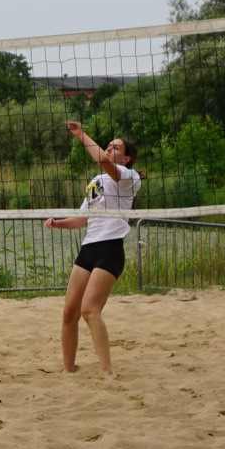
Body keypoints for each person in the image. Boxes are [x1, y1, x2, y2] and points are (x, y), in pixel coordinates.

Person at [46, 121, 138, 375]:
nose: (110, 148)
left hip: (110, 249)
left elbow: (104, 161)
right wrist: (58, 223)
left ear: (127, 158)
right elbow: (82, 219)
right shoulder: (96, 181)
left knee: (90, 310)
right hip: (88, 248)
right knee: (69, 312)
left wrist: (81, 135)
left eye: (116, 147)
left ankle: (108, 371)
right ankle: (69, 369)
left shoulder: (129, 177)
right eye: (109, 145)